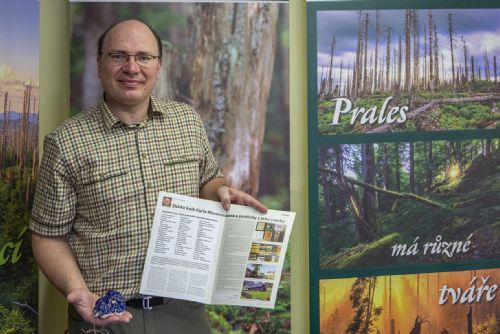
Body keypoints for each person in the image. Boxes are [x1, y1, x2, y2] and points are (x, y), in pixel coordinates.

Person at [30, 19, 267, 333]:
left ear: (159, 65)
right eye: (118, 56)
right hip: (106, 318)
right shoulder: (66, 142)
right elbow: (47, 235)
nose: (132, 67)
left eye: (143, 57)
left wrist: (221, 190)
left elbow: (208, 178)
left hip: (185, 313)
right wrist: (78, 293)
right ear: (99, 64)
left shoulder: (187, 121)